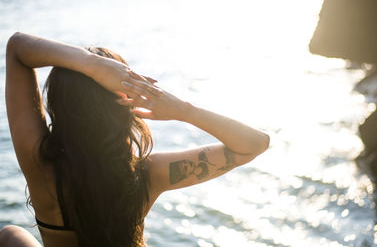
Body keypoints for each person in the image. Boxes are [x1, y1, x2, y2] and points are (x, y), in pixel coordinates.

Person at [0, 32, 270, 247]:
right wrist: (184, 110)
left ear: (59, 106)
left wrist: (92, 66)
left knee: (10, 235)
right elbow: (255, 143)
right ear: (123, 111)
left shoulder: (40, 165)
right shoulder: (147, 175)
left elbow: (17, 48)